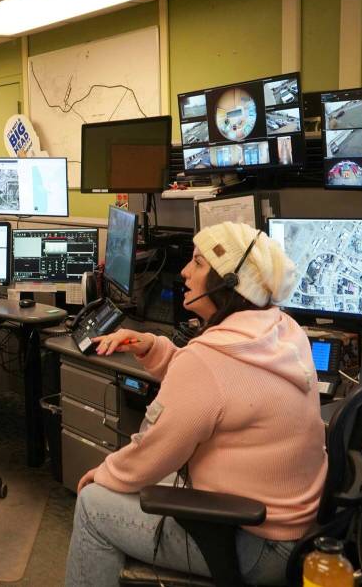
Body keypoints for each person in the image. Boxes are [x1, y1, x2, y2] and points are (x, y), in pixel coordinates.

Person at [64, 222, 326, 587]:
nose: (185, 272)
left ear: (229, 282)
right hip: (291, 532)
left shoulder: (209, 361)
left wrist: (105, 475)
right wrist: (153, 346)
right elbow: (220, 389)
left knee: (94, 503)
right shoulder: (280, 328)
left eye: (198, 264)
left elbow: (154, 453)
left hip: (249, 545)